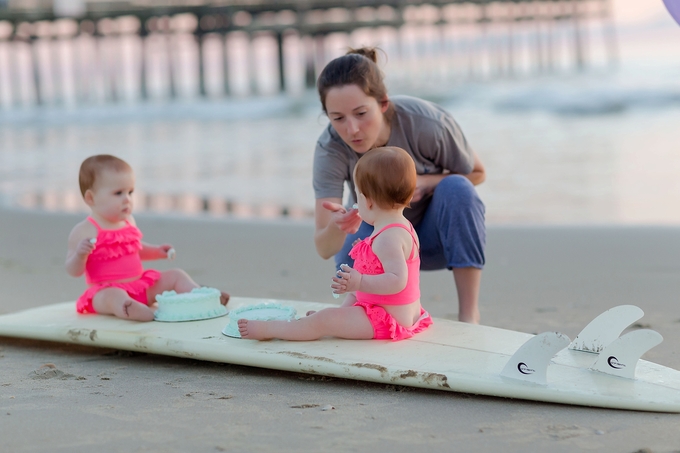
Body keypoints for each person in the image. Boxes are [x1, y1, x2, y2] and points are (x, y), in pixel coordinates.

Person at [312, 47, 486, 324]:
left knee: (458, 189)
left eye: (360, 113)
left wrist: (427, 182)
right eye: (338, 118)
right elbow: (323, 247)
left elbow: (477, 173)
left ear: (383, 103)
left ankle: (469, 314)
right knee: (349, 242)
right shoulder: (329, 149)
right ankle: (366, 314)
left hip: (434, 238)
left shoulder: (426, 123)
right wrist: (338, 225)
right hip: (375, 244)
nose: (352, 129)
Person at [238, 147, 432, 341]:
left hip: (388, 319)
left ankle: (271, 330)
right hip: (386, 310)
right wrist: (366, 257)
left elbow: (398, 280)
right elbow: (384, 264)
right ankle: (337, 320)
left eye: (357, 194)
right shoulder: (399, 227)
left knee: (324, 320)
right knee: (345, 302)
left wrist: (360, 281)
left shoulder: (389, 237)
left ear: (367, 201)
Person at [65, 154, 229, 321]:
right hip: (105, 291)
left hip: (141, 287)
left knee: (176, 275)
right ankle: (128, 309)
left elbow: (136, 249)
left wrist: (157, 251)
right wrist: (80, 255)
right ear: (91, 198)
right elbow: (73, 271)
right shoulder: (84, 230)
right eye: (118, 193)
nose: (127, 199)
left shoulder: (129, 222)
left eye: (130, 192)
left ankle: (201, 298)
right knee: (113, 296)